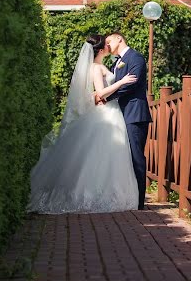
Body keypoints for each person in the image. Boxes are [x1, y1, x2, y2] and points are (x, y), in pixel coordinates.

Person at [28, 34, 140, 214]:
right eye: (107, 44)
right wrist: (122, 81)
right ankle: (96, 194)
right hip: (107, 113)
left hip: (111, 111)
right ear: (102, 49)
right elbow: (101, 92)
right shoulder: (96, 67)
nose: (110, 47)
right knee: (104, 154)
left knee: (109, 156)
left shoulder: (102, 65)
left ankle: (110, 192)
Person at [105, 31, 152, 210]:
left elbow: (132, 83)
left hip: (134, 114)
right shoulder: (115, 63)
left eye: (109, 41)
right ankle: (127, 197)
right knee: (124, 157)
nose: (107, 46)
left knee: (136, 157)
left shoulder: (136, 58)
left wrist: (108, 98)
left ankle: (139, 202)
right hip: (120, 114)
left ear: (119, 38)